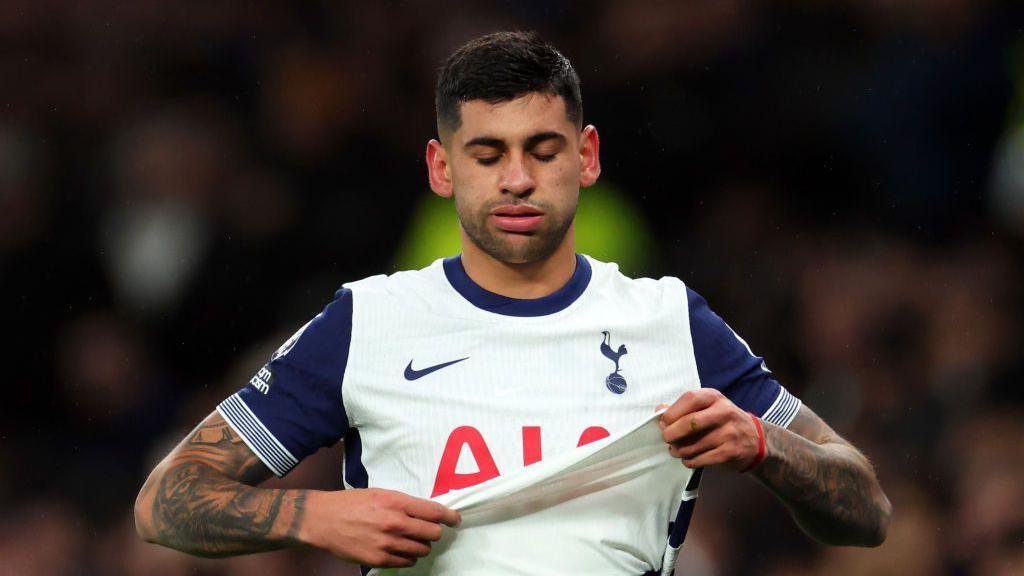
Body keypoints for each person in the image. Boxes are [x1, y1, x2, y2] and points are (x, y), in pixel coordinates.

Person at [135, 31, 891, 574]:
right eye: (488, 154)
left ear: (586, 156)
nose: (518, 180)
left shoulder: (669, 322)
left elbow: (866, 510)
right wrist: (314, 516)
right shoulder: (368, 322)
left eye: (543, 150)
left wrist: (763, 445)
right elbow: (166, 500)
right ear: (442, 168)